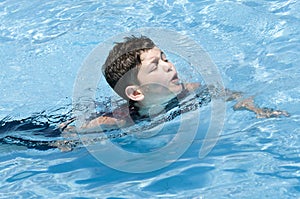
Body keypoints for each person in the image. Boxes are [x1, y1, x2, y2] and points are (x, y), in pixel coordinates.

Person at [60, 36, 289, 133]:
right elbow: (73, 129)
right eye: (155, 66)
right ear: (136, 92)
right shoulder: (118, 119)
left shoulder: (189, 91)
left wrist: (252, 107)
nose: (169, 66)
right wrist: (67, 141)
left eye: (166, 58)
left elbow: (227, 93)